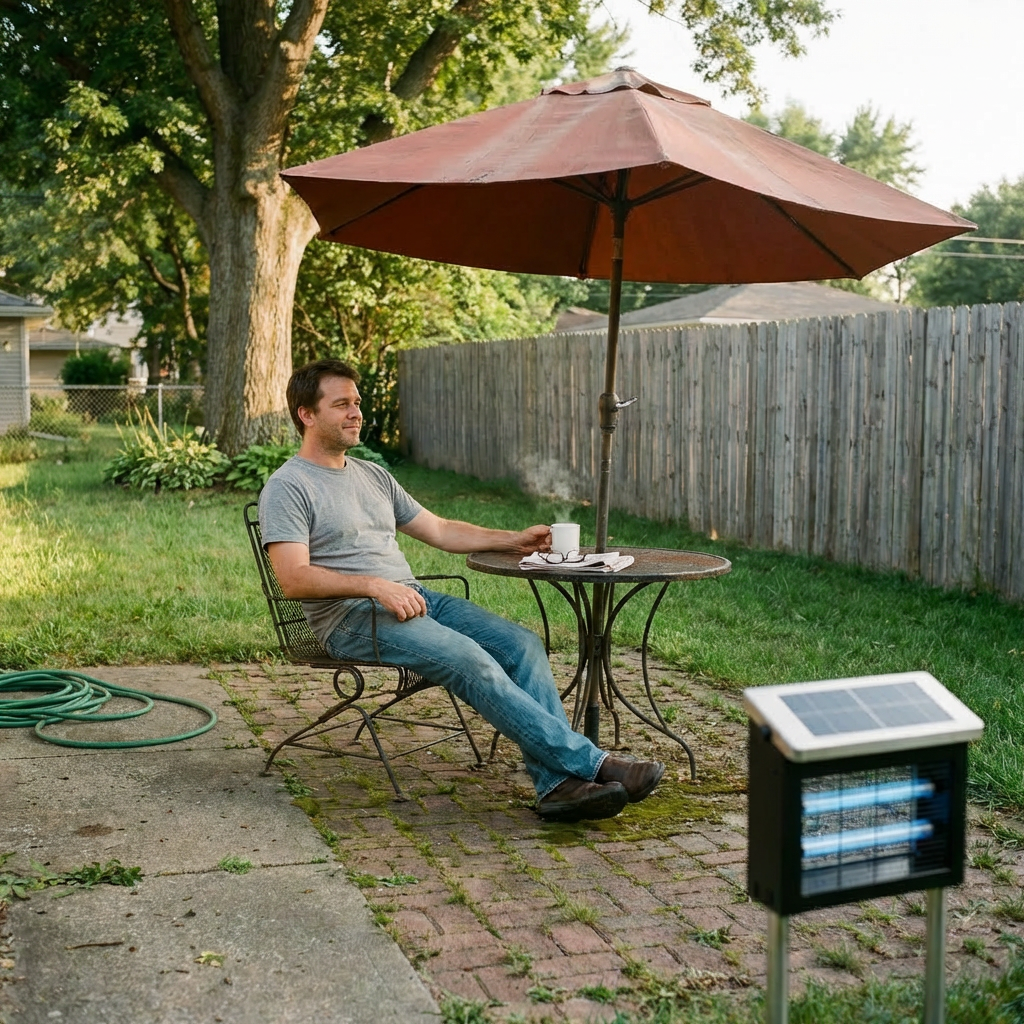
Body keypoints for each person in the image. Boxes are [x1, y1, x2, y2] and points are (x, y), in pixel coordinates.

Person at [258, 359, 664, 822]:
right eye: (342, 405)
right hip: (350, 618)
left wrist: (514, 539)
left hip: (412, 599)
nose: (356, 413)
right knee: (472, 660)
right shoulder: (289, 487)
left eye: (358, 403)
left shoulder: (372, 475)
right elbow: (292, 578)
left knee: (521, 644)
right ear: (306, 414)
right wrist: (373, 586)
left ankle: (557, 786)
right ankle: (593, 763)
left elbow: (442, 530)